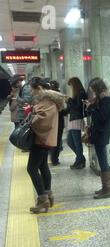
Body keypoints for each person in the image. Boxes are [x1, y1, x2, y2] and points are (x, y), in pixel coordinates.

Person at [28, 77, 64, 213]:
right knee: (42, 166)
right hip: (46, 139)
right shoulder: (48, 100)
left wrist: (31, 118)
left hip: (42, 139)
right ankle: (48, 195)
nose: (32, 93)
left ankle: (42, 200)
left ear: (39, 88)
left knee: (31, 168)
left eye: (33, 90)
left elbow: (43, 120)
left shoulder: (48, 101)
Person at [85, 78, 110, 199]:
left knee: (103, 161)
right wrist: (91, 106)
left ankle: (107, 189)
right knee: (102, 161)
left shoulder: (107, 100)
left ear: (98, 89)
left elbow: (102, 116)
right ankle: (105, 188)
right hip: (99, 133)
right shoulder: (103, 99)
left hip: (101, 134)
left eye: (94, 90)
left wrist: (91, 107)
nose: (93, 93)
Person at [65, 77, 88, 169]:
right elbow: (72, 107)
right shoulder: (77, 94)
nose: (71, 88)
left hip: (77, 119)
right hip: (73, 119)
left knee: (76, 142)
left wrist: (69, 100)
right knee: (70, 141)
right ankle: (81, 158)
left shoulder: (81, 93)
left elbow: (78, 107)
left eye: (71, 85)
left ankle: (79, 161)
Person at [49, 80, 67, 165]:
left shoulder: (47, 96)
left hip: (50, 121)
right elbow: (63, 111)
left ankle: (52, 157)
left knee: (51, 140)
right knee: (57, 141)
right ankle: (55, 159)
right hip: (59, 122)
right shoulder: (59, 96)